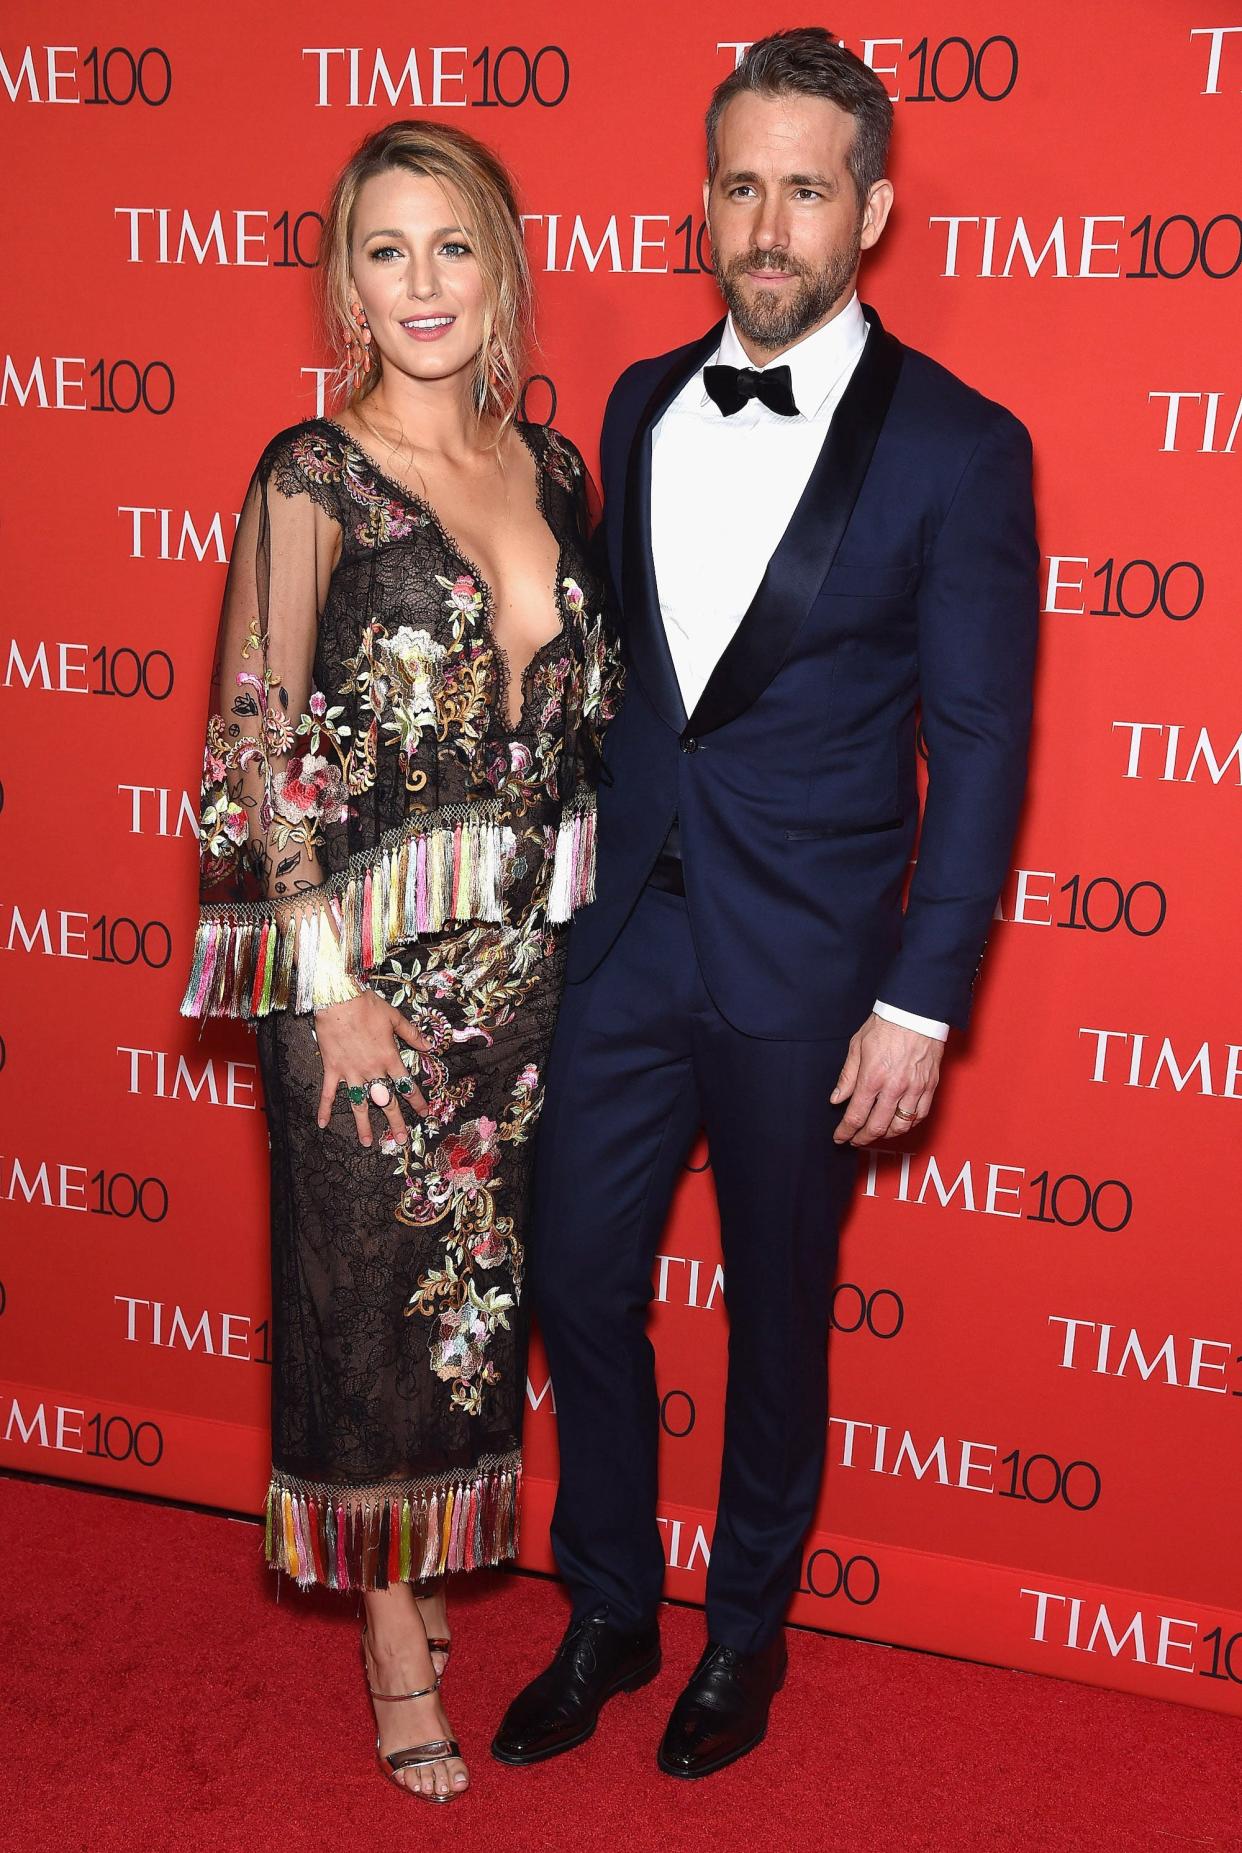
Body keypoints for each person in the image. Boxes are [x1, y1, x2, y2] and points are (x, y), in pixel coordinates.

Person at [494, 28, 1039, 1780]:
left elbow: (979, 738)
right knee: (575, 1274)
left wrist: (920, 998)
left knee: (781, 1314)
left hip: (814, 961)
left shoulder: (963, 446)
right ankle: (607, 1602)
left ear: (868, 210)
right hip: (628, 929)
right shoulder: (642, 403)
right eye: (740, 183)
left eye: (807, 187)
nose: (768, 220)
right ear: (705, 199)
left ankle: (741, 1634)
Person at [180, 119, 621, 1803]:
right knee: (368, 1303)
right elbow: (251, 739)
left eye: (453, 246)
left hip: (522, 977)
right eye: (386, 249)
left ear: (501, 265)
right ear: (345, 280)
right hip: (356, 984)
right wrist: (327, 986)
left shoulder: (552, 471)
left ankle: (426, 1570)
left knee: (465, 1309)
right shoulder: (311, 477)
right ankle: (387, 1630)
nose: (422, 282)